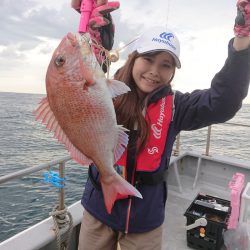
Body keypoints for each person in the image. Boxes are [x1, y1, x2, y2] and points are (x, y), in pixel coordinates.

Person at [72, 0, 250, 249]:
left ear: (173, 72)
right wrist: (94, 37)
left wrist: (242, 41)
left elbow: (224, 101)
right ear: (133, 58)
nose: (155, 71)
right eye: (148, 59)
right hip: (99, 208)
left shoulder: (178, 106)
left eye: (165, 65)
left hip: (146, 217)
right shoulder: (108, 93)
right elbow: (82, 81)